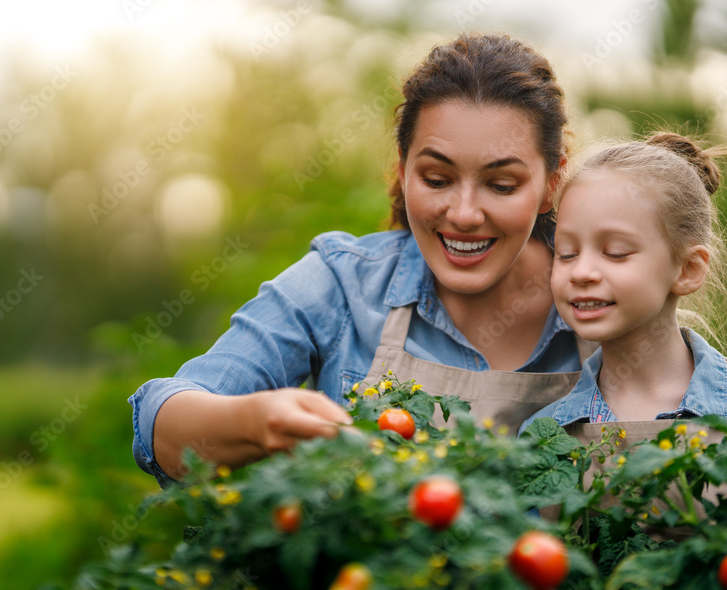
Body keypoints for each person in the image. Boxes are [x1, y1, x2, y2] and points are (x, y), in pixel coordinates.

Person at [130, 33, 596, 487]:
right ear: (402, 168)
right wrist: (254, 421)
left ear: (551, 184)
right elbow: (161, 419)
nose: (464, 214)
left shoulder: (606, 297)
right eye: (436, 178)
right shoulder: (343, 283)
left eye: (501, 185)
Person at [521, 132, 727, 444]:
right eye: (567, 253)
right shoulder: (543, 434)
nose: (581, 272)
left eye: (615, 252)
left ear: (688, 270)